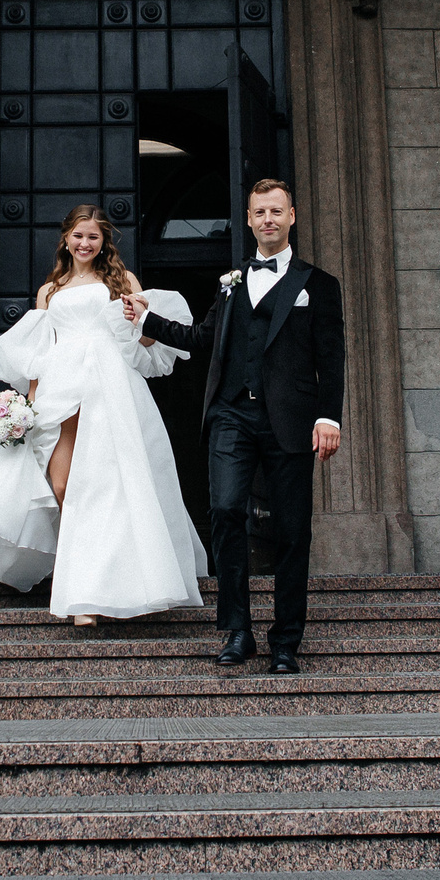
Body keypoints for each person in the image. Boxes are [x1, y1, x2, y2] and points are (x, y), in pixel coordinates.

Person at [127, 179, 343, 674]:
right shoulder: (232, 281)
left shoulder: (319, 284)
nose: (267, 219)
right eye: (259, 212)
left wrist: (328, 416)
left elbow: (332, 359)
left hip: (290, 420)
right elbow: (202, 337)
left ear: (292, 216)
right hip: (231, 414)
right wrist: (148, 320)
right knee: (225, 511)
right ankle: (238, 630)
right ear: (248, 219)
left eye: (276, 211)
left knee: (291, 530)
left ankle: (285, 640)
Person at [0, 204, 205, 625]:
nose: (85, 243)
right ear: (66, 239)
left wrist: (140, 325)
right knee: (62, 483)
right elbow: (38, 354)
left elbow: (144, 341)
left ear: (103, 241)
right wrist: (26, 409)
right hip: (60, 384)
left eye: (93, 236)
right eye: (78, 235)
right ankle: (89, 579)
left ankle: (89, 595)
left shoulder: (122, 281)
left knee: (111, 485)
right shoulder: (50, 290)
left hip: (110, 383)